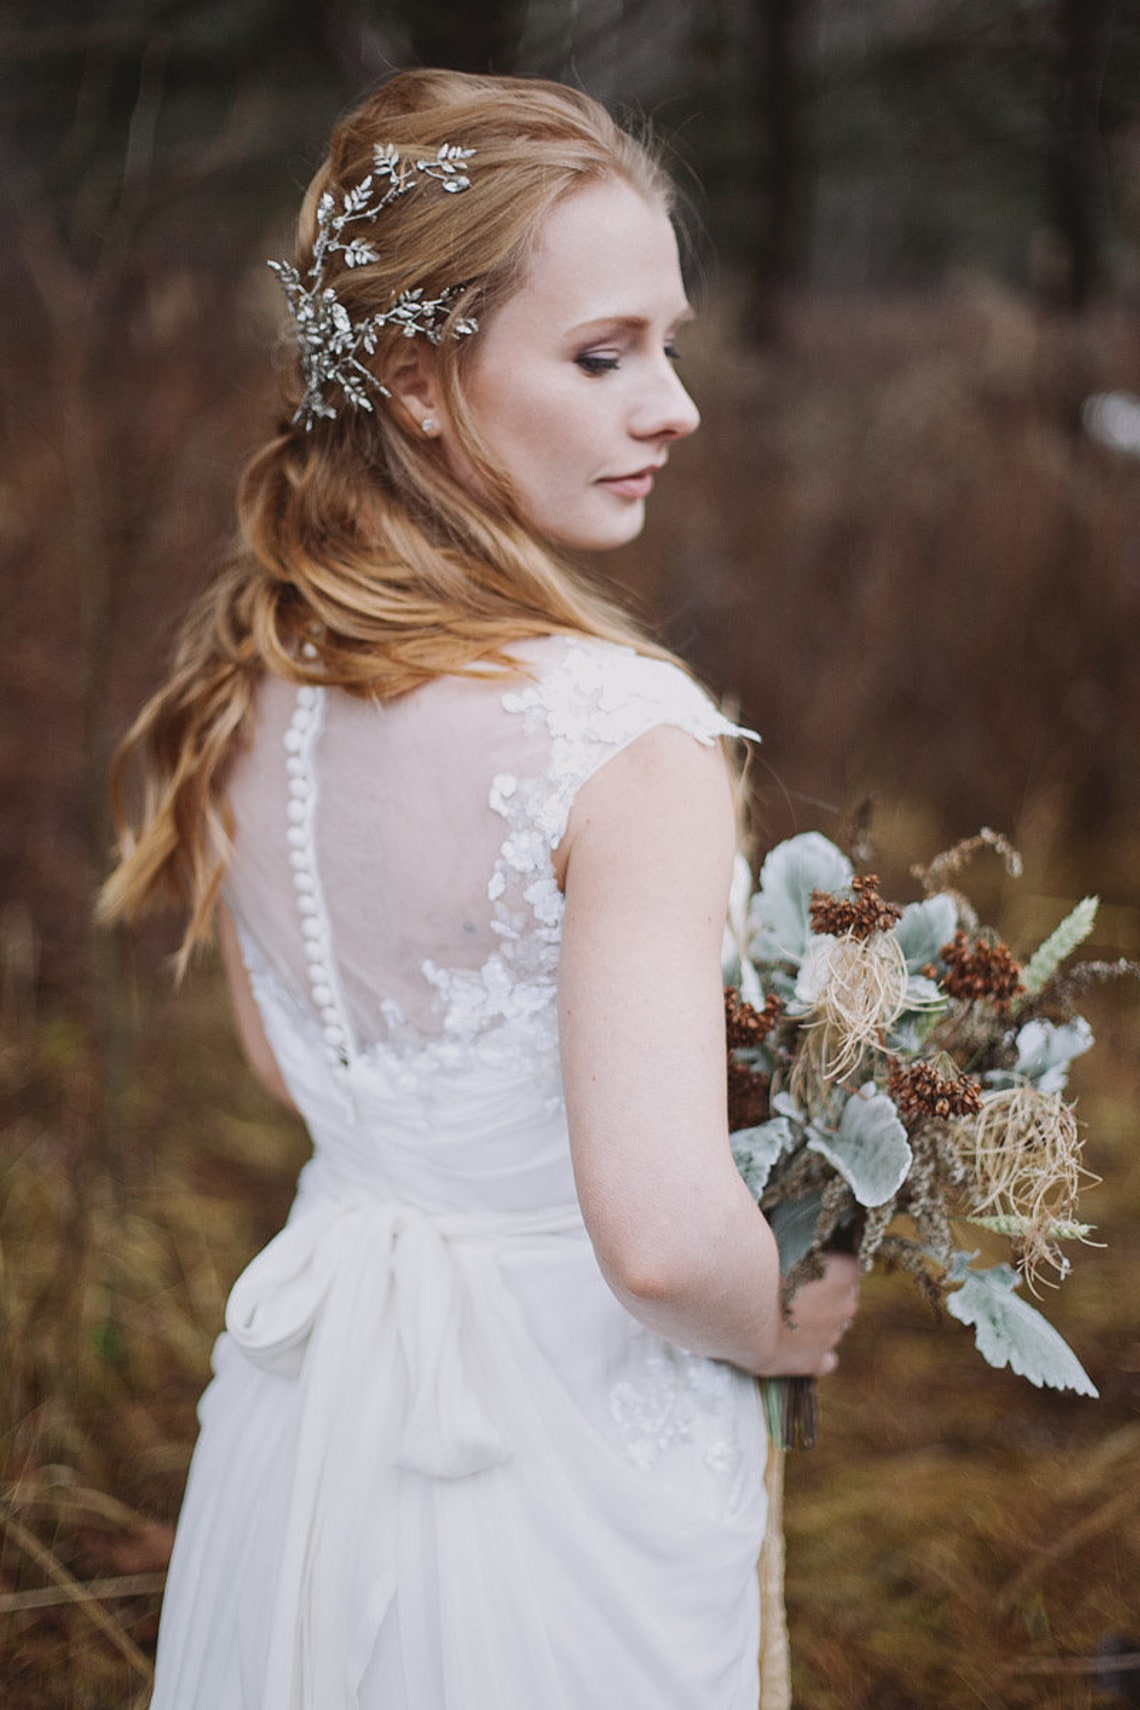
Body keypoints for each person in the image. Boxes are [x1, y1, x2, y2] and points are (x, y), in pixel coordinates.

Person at [101, 68, 858, 1710]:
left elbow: (295, 1069)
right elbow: (661, 1239)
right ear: (417, 381)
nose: (676, 406)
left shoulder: (250, 687)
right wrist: (792, 1312)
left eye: (669, 344)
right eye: (604, 355)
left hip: (312, 1423)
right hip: (559, 1460)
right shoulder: (625, 739)